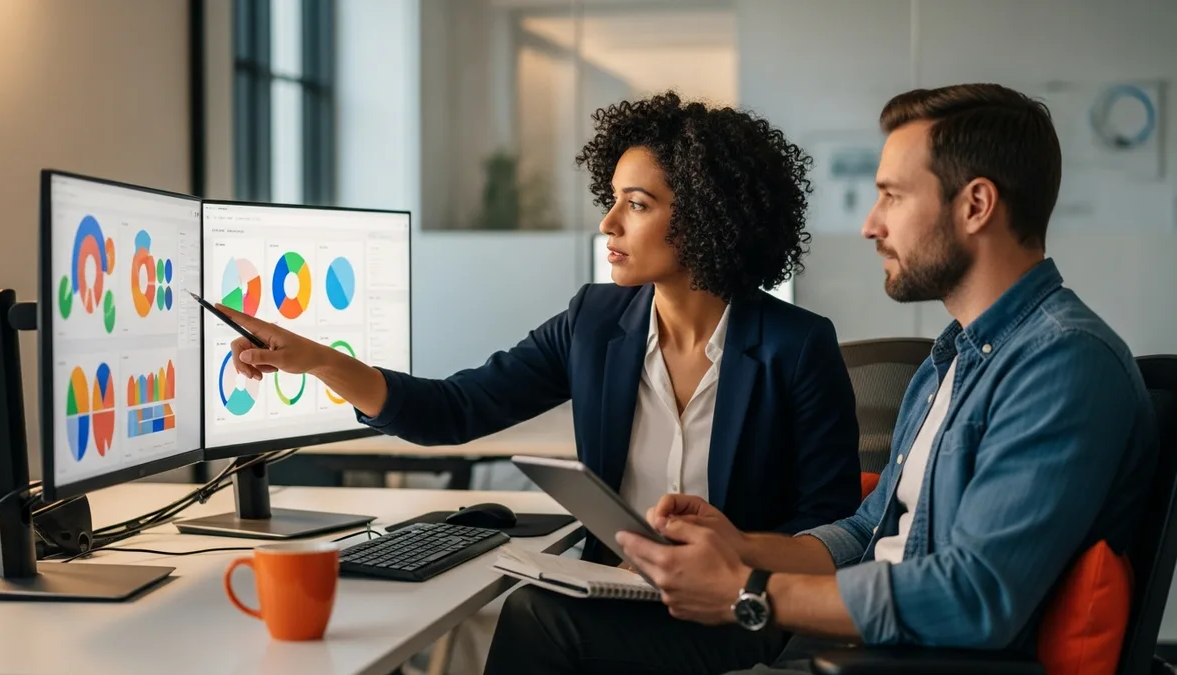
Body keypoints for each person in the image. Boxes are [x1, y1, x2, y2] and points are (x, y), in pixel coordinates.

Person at [482, 83, 1159, 675]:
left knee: (543, 624)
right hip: (860, 637)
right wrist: (738, 547)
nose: (870, 225)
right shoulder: (954, 359)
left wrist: (747, 591)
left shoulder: (1060, 363)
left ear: (976, 204)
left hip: (900, 659)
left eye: (892, 196)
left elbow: (973, 598)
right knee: (545, 617)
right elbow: (866, 531)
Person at [221, 92, 861, 581]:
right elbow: (455, 409)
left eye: (637, 204)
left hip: (736, 600)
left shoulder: (796, 345)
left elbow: (832, 530)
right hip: (614, 584)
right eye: (613, 199)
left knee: (534, 625)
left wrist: (736, 557)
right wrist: (318, 361)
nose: (608, 222)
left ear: (707, 219)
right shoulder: (594, 323)